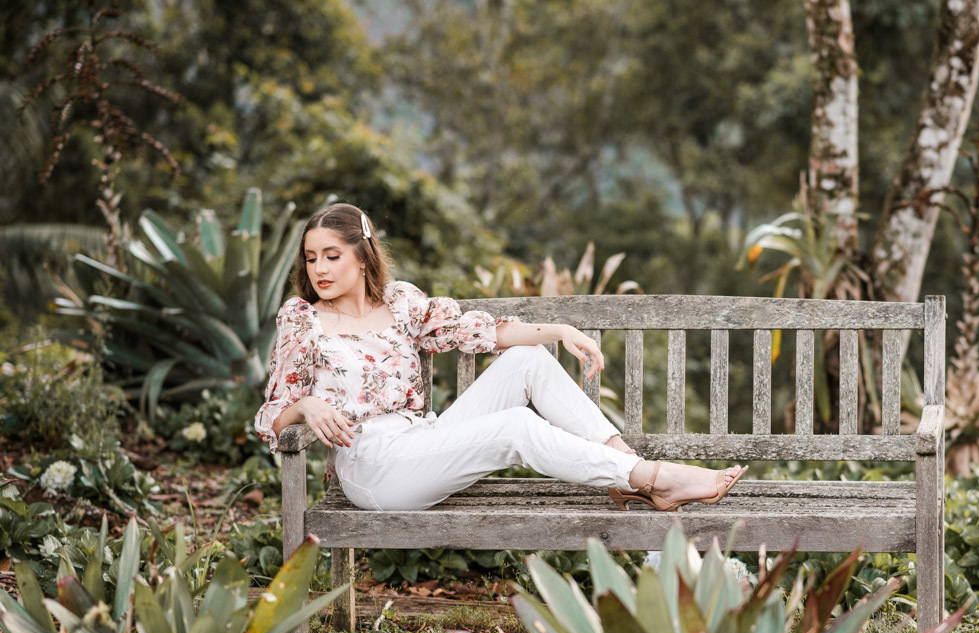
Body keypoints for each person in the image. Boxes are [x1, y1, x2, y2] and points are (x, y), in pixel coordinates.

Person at [253, 202, 746, 512]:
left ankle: (626, 470)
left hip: (420, 441)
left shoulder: (400, 303)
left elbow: (478, 331)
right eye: (311, 258)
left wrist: (559, 330)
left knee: (528, 360)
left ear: (362, 257)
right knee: (514, 428)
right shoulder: (303, 319)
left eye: (332, 255)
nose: (319, 269)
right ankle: (656, 478)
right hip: (373, 468)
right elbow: (271, 416)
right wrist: (306, 406)